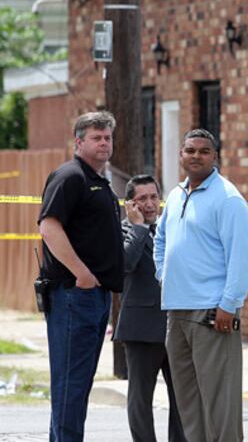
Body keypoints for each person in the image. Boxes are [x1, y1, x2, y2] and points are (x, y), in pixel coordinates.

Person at [154, 129, 248, 442]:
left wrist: (229, 303)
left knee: (220, 403)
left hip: (212, 313)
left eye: (204, 151)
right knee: (188, 402)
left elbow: (241, 254)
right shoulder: (174, 195)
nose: (196, 155)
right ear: (181, 155)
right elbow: (160, 242)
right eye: (190, 150)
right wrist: (164, 275)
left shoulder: (227, 198)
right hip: (176, 311)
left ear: (215, 157)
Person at [38, 111, 124, 441]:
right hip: (75, 295)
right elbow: (49, 227)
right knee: (70, 385)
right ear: (78, 142)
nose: (104, 143)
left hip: (95, 297)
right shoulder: (70, 176)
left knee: (77, 385)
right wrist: (82, 274)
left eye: (108, 138)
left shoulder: (98, 180)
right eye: (96, 138)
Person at [115, 175, 186, 442]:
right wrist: (139, 229)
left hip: (177, 325)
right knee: (140, 400)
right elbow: (125, 265)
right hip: (140, 329)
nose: (149, 203)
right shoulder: (123, 230)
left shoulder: (172, 227)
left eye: (153, 197)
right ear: (130, 204)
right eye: (142, 198)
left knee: (182, 398)